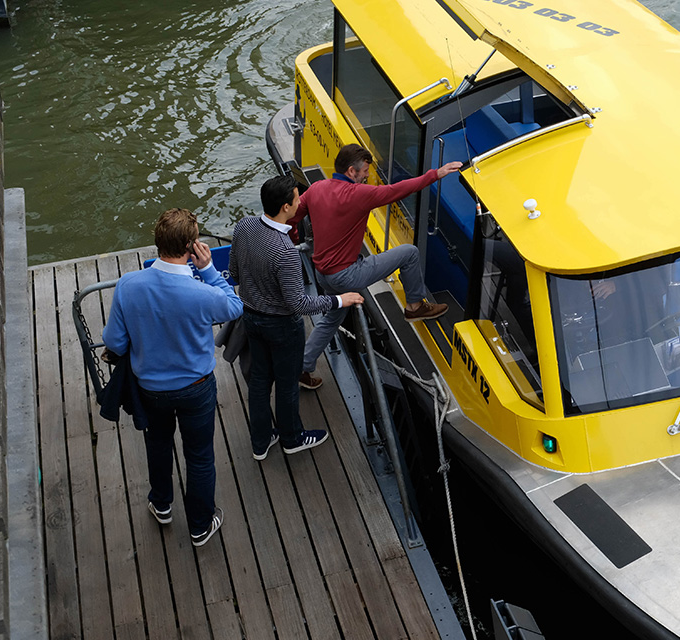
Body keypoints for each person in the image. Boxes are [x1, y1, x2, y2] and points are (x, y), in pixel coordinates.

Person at [103, 208, 242, 547]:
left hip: (150, 389)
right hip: (196, 389)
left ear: (157, 242)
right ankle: (199, 526)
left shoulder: (128, 285)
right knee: (199, 456)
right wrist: (209, 270)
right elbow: (234, 307)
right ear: (192, 246)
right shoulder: (202, 293)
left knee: (158, 445)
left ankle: (162, 504)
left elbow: (114, 342)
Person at [291, 144, 462, 389]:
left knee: (331, 320)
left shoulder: (317, 188)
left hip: (323, 274)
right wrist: (436, 174)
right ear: (351, 171)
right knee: (409, 253)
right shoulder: (360, 194)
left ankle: (302, 368)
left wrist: (291, 235)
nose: (368, 176)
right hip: (347, 275)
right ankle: (414, 306)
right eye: (365, 172)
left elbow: (294, 215)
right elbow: (397, 191)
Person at [231, 175, 366, 461]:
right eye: (296, 198)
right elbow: (300, 304)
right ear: (285, 207)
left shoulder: (244, 227)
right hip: (281, 327)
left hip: (252, 319)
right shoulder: (284, 251)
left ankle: (261, 441)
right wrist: (340, 299)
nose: (300, 202)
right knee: (288, 382)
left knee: (259, 381)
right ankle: (292, 438)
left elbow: (235, 274)